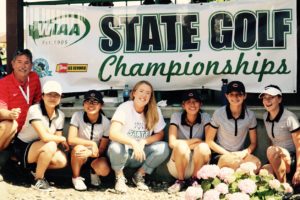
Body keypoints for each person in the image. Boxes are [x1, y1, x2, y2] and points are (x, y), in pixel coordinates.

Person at [108, 80, 170, 193]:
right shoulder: (125, 107)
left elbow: (160, 134)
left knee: (164, 147)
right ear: (134, 93)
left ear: (151, 96)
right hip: (124, 153)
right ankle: (119, 177)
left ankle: (139, 175)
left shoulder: (155, 110)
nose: (144, 95)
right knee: (114, 147)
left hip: (141, 154)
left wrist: (143, 142)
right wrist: (133, 142)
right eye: (141, 91)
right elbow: (113, 133)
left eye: (148, 93)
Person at [13, 80, 68, 191]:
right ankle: (39, 180)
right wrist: (62, 138)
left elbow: (55, 140)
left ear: (60, 97)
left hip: (42, 146)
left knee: (61, 161)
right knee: (51, 144)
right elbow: (45, 137)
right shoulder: (35, 109)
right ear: (42, 96)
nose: (53, 98)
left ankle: (32, 170)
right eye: (49, 94)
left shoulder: (60, 115)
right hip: (23, 147)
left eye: (56, 95)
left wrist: (58, 139)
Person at [206, 81, 261, 171]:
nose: (235, 97)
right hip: (221, 154)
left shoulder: (250, 115)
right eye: (231, 94)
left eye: (239, 94)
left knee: (257, 163)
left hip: (239, 154)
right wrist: (228, 154)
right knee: (238, 165)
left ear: (245, 96)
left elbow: (253, 143)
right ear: (226, 96)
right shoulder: (219, 113)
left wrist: (244, 153)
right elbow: (209, 140)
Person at [167, 90, 211, 194]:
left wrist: (189, 145)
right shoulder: (176, 116)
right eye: (188, 101)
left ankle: (194, 180)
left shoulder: (205, 117)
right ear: (183, 105)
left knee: (203, 147)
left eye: (195, 101)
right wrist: (196, 141)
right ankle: (180, 181)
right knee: (181, 146)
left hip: (198, 166)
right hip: (178, 165)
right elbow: (172, 143)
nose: (192, 104)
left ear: (200, 104)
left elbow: (209, 142)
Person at [68, 90, 111, 191]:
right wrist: (91, 143)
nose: (91, 104)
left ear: (101, 105)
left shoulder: (106, 122)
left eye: (95, 102)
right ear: (83, 104)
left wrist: (90, 153)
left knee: (104, 170)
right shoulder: (77, 116)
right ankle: (76, 177)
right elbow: (71, 139)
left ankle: (94, 172)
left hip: (95, 155)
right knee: (79, 148)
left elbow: (101, 149)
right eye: (88, 101)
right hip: (78, 156)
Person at [0, 49, 41, 151]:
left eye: (26, 63)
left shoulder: (34, 78)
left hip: (27, 128)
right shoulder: (4, 83)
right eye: (19, 62)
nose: (23, 66)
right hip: (12, 129)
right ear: (13, 64)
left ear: (31, 65)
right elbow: (0, 111)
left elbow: (38, 101)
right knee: (10, 125)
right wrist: (10, 114)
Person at [259, 85, 300, 186]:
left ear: (279, 99)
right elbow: (272, 140)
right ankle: (279, 190)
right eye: (265, 97)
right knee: (264, 172)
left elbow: (299, 146)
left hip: (293, 160)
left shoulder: (289, 117)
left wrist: (299, 170)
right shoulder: (265, 116)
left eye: (271, 97)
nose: (267, 101)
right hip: (277, 158)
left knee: (272, 150)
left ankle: (283, 186)